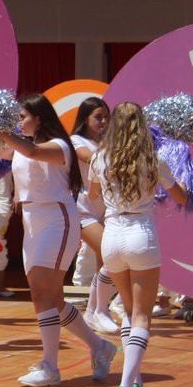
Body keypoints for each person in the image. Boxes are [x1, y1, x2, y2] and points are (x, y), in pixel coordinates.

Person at [0, 94, 117, 387]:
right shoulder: (22, 148)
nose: (19, 122)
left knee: (41, 294)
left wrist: (0, 129)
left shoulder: (58, 145)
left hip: (57, 220)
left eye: (23, 117)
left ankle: (50, 366)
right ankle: (100, 347)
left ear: (39, 117)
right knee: (53, 299)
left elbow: (34, 153)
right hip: (32, 224)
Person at [90, 102, 187, 387]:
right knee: (142, 316)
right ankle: (125, 385)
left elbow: (93, 195)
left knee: (130, 313)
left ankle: (135, 383)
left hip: (112, 235)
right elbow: (182, 197)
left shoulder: (100, 158)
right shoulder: (153, 160)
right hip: (140, 232)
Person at [70, 97, 118, 334]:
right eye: (98, 117)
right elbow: (88, 158)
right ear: (85, 119)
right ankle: (97, 311)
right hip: (83, 210)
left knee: (107, 261)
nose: (103, 121)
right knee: (109, 254)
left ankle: (98, 311)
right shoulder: (76, 141)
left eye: (106, 117)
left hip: (109, 210)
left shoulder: (110, 142)